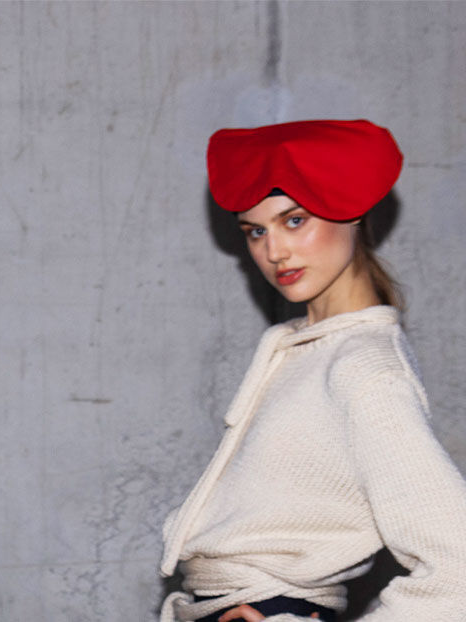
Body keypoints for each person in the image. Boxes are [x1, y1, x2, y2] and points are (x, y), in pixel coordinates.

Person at [159, 119, 466, 622]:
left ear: (354, 212)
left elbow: (458, 569)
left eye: (294, 220)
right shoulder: (304, 349)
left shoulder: (363, 367)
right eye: (256, 230)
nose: (273, 252)